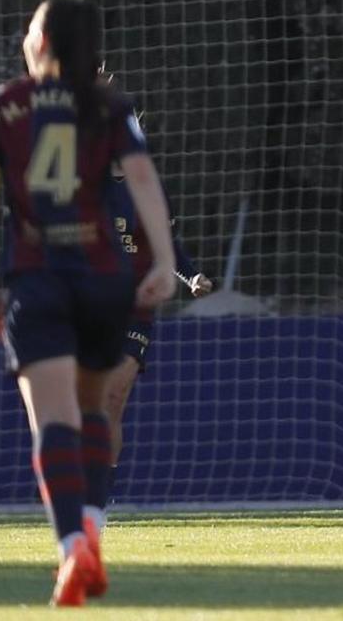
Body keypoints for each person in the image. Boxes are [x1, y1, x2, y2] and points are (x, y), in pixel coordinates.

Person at [0, 0, 177, 605]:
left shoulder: (4, 105)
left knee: (52, 420)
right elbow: (143, 180)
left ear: (45, 43)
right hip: (107, 282)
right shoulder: (109, 106)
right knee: (92, 414)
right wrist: (163, 260)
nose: (25, 38)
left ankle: (71, 550)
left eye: (30, 28)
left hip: (40, 279)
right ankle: (93, 531)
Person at [103, 161, 213, 504]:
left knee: (113, 399)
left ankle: (100, 497)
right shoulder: (80, 185)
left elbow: (169, 247)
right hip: (88, 307)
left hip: (136, 310)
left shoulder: (148, 188)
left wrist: (191, 276)